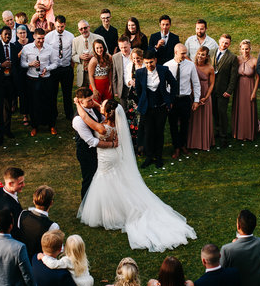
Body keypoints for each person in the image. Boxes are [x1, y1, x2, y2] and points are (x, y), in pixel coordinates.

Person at [75, 98, 196, 252]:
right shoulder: (114, 123)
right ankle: (113, 209)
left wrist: (78, 103)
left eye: (102, 105)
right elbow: (104, 111)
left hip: (107, 158)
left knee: (105, 180)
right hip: (114, 155)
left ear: (107, 112)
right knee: (114, 180)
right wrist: (101, 105)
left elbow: (85, 118)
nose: (100, 106)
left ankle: (111, 214)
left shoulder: (102, 128)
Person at [72, 88, 119, 199]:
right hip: (86, 152)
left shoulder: (93, 107)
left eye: (92, 99)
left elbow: (103, 119)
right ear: (80, 102)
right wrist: (112, 144)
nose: (92, 102)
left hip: (100, 152)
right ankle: (86, 204)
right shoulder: (78, 120)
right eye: (89, 101)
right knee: (89, 178)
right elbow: (91, 141)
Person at [133, 49, 176, 168]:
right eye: (146, 63)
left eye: (151, 62)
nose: (149, 65)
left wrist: (170, 99)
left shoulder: (163, 70)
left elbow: (173, 84)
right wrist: (143, 100)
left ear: (155, 60)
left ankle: (158, 157)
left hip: (161, 107)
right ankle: (149, 156)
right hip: (147, 108)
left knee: (159, 132)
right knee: (148, 132)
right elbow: (138, 90)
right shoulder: (140, 73)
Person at [164, 43, 201, 159]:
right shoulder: (167, 66)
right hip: (172, 99)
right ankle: (176, 147)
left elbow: (196, 83)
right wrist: (167, 100)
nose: (185, 55)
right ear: (176, 52)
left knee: (185, 123)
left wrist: (196, 100)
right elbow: (164, 85)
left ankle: (183, 145)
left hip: (185, 98)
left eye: (186, 53)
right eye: (183, 53)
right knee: (173, 124)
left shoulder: (190, 65)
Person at [20, 30, 55, 136]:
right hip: (32, 79)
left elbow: (55, 63)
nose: (41, 41)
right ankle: (35, 126)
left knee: (49, 102)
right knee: (34, 103)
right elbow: (22, 63)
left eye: (43, 38)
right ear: (34, 37)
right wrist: (30, 64)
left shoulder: (49, 48)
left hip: (46, 79)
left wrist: (47, 69)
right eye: (38, 38)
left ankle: (51, 125)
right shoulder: (27, 48)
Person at [15, 184, 60, 264]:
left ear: (33, 200)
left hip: (21, 258)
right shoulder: (52, 226)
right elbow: (56, 249)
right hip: (39, 262)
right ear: (51, 203)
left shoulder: (23, 214)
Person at [46, 15, 76, 125]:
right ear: (54, 24)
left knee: (67, 93)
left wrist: (70, 67)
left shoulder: (70, 36)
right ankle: (53, 114)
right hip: (54, 69)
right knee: (53, 93)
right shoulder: (49, 37)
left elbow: (73, 52)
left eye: (62, 27)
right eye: (58, 26)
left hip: (66, 68)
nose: (60, 29)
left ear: (65, 25)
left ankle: (69, 114)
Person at [210, 34, 237, 148]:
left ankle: (223, 136)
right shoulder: (211, 52)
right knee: (213, 112)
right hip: (211, 89)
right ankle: (215, 131)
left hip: (223, 91)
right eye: (222, 42)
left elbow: (233, 76)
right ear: (219, 41)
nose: (224, 44)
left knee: (222, 113)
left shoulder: (232, 57)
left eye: (226, 43)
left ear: (229, 44)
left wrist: (229, 91)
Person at [186, 46, 215, 151]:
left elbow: (212, 84)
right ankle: (193, 142)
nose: (200, 56)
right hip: (194, 94)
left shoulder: (210, 68)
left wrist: (206, 97)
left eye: (203, 54)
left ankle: (205, 142)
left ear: (207, 56)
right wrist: (194, 96)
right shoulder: (192, 66)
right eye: (199, 54)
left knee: (204, 118)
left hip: (205, 94)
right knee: (194, 119)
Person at [232, 39, 259, 141]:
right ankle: (238, 132)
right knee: (239, 108)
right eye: (243, 49)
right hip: (239, 87)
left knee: (249, 109)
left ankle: (249, 133)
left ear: (250, 49)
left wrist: (254, 92)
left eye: (247, 49)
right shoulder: (237, 60)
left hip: (250, 86)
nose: (245, 51)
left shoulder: (254, 61)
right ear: (240, 49)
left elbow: (258, 78)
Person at [72, 20, 103, 90]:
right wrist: (79, 57)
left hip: (96, 72)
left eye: (85, 28)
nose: (84, 30)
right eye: (81, 29)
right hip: (82, 74)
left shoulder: (99, 38)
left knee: (96, 94)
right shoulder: (75, 40)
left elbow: (106, 53)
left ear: (89, 27)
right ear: (78, 30)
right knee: (84, 96)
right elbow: (73, 56)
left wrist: (93, 56)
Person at [87, 39, 113, 103]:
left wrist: (110, 84)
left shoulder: (109, 57)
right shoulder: (93, 60)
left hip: (106, 83)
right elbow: (90, 76)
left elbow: (110, 71)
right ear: (94, 49)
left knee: (108, 103)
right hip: (97, 84)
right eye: (97, 48)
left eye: (101, 47)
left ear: (104, 47)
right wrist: (94, 89)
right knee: (97, 103)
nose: (99, 50)